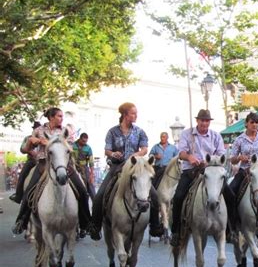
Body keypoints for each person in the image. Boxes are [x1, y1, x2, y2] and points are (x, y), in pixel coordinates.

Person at [12, 107, 94, 238]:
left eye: (62, 116)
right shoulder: (38, 131)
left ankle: (87, 223)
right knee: (29, 191)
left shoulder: (66, 131)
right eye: (59, 116)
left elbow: (71, 146)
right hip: (44, 164)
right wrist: (31, 141)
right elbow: (25, 149)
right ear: (51, 117)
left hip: (64, 165)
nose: (62, 118)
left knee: (83, 191)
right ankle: (21, 220)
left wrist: (49, 142)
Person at [90, 102, 160, 241]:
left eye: (136, 113)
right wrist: (113, 153)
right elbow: (107, 150)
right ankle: (95, 226)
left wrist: (135, 155)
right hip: (117, 167)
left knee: (154, 195)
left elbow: (145, 149)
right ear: (125, 115)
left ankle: (155, 226)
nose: (136, 115)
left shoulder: (139, 131)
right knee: (99, 195)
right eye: (133, 113)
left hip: (135, 166)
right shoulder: (112, 131)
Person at [170, 109, 234, 247]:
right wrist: (190, 157)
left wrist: (211, 161)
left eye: (207, 121)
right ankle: (175, 230)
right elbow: (181, 153)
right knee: (179, 196)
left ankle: (230, 229)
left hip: (211, 170)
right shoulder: (187, 134)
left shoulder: (216, 136)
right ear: (197, 121)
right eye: (202, 120)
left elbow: (222, 154)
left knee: (230, 195)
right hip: (191, 171)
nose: (204, 123)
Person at [9, 121, 42, 203]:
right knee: (22, 175)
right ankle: (18, 195)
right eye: (35, 129)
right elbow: (22, 149)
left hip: (44, 161)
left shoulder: (45, 137)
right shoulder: (28, 138)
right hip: (32, 161)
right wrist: (30, 151)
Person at [72, 133, 96, 199]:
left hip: (84, 168)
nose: (84, 143)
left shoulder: (88, 148)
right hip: (73, 167)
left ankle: (95, 201)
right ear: (79, 139)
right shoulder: (72, 145)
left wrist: (91, 174)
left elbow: (91, 162)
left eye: (86, 141)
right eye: (83, 141)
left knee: (90, 185)